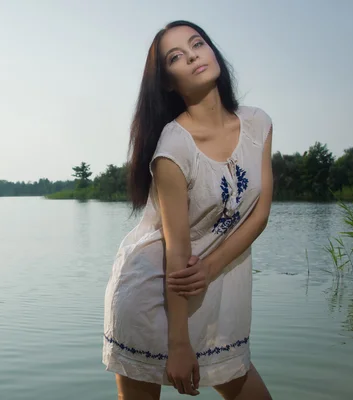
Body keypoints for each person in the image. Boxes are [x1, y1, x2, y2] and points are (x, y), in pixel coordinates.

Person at [102, 20, 274, 399]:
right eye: (177, 56)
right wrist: (178, 345)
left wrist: (211, 266)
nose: (193, 54)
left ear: (213, 51)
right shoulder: (173, 148)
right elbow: (176, 251)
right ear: (167, 81)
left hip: (215, 290)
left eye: (198, 43)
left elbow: (260, 212)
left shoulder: (258, 123)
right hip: (154, 298)